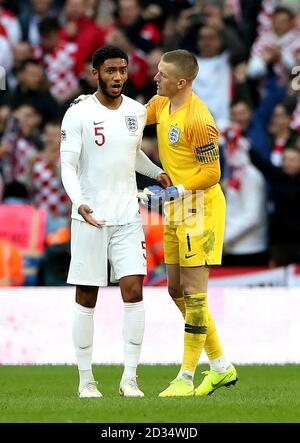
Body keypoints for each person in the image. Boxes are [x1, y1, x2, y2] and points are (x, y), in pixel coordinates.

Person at [60, 45, 170, 398]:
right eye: (110, 70)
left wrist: (156, 173)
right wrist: (80, 204)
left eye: (122, 69)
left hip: (127, 216)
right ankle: (85, 380)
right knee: (87, 296)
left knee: (134, 291)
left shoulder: (137, 111)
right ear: (96, 73)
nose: (118, 76)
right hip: (91, 217)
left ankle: (130, 378)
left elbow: (131, 152)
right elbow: (67, 166)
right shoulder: (78, 113)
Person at [139, 49, 238, 397]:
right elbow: (135, 119)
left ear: (181, 82)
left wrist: (174, 191)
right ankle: (222, 366)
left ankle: (185, 377)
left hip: (200, 209)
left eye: (162, 74)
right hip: (176, 208)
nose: (155, 78)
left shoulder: (199, 120)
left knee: (195, 296)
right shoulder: (161, 104)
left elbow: (213, 173)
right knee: (175, 289)